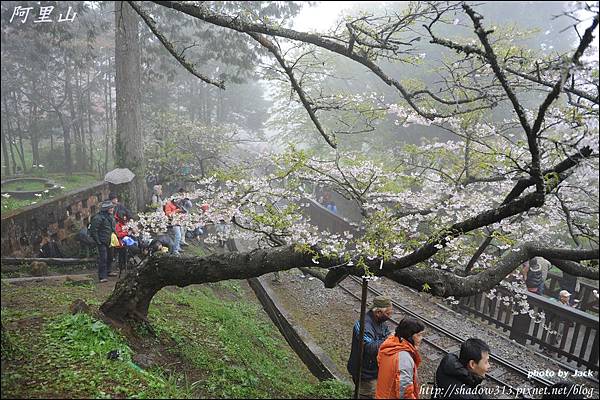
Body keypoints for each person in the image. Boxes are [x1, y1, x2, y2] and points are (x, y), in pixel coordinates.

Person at [347, 296, 393, 399]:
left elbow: (386, 334)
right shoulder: (363, 325)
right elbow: (369, 348)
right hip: (365, 373)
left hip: (373, 370)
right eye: (388, 313)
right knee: (367, 395)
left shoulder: (380, 322)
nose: (390, 316)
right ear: (378, 313)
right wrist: (389, 339)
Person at [376, 317, 425, 399]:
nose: (421, 338)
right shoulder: (404, 358)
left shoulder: (390, 344)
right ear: (409, 336)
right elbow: (405, 390)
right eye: (419, 335)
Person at [89, 201, 117, 282]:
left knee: (110, 257)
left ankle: (108, 271)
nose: (112, 209)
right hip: (102, 241)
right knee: (103, 258)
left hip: (110, 240)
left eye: (112, 207)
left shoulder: (110, 216)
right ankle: (102, 276)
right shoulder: (98, 218)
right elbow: (93, 230)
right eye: (110, 208)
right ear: (106, 209)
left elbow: (112, 228)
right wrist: (98, 241)